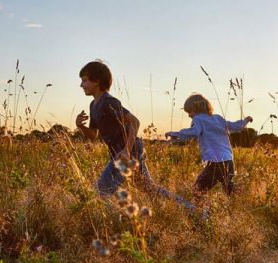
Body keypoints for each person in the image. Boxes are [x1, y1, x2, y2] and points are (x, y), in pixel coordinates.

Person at [76, 60, 195, 210]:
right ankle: (193, 210)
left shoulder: (109, 102)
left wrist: (126, 149)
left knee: (100, 192)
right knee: (149, 188)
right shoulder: (93, 105)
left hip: (128, 152)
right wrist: (80, 126)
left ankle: (109, 226)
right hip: (121, 153)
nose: (81, 85)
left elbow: (135, 122)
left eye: (84, 80)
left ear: (97, 80)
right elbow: (93, 135)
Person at [165, 93, 252, 199]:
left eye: (190, 111)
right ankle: (243, 197)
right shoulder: (217, 118)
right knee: (229, 188)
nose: (189, 115)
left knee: (198, 189)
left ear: (197, 108)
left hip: (215, 163)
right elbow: (235, 126)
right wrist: (245, 120)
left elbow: (194, 132)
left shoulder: (198, 119)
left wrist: (175, 134)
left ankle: (203, 212)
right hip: (229, 162)